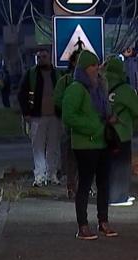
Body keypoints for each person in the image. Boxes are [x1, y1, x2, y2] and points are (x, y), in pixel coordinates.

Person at [62, 50, 117, 240]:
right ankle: (82, 225)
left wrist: (109, 119)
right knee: (85, 184)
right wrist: (94, 127)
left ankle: (103, 221)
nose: (97, 69)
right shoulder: (76, 88)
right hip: (85, 144)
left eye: (97, 65)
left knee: (103, 184)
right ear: (85, 68)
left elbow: (104, 110)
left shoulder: (100, 87)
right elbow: (69, 116)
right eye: (93, 66)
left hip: (102, 142)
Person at [18, 47, 62, 187]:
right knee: (37, 147)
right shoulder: (31, 74)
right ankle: (40, 175)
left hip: (54, 116)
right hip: (37, 116)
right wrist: (26, 113)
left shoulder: (57, 74)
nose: (41, 59)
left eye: (44, 57)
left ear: (49, 58)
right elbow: (22, 94)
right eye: (39, 57)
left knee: (53, 146)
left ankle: (51, 174)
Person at [103, 56, 138, 207]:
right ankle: (118, 197)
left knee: (107, 165)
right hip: (121, 131)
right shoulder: (124, 89)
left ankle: (108, 195)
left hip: (103, 131)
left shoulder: (100, 85)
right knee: (122, 164)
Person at [55, 50, 81, 198]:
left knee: (87, 160)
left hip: (88, 128)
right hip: (71, 127)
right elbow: (58, 99)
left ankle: (84, 186)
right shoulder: (65, 81)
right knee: (71, 158)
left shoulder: (93, 80)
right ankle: (71, 186)